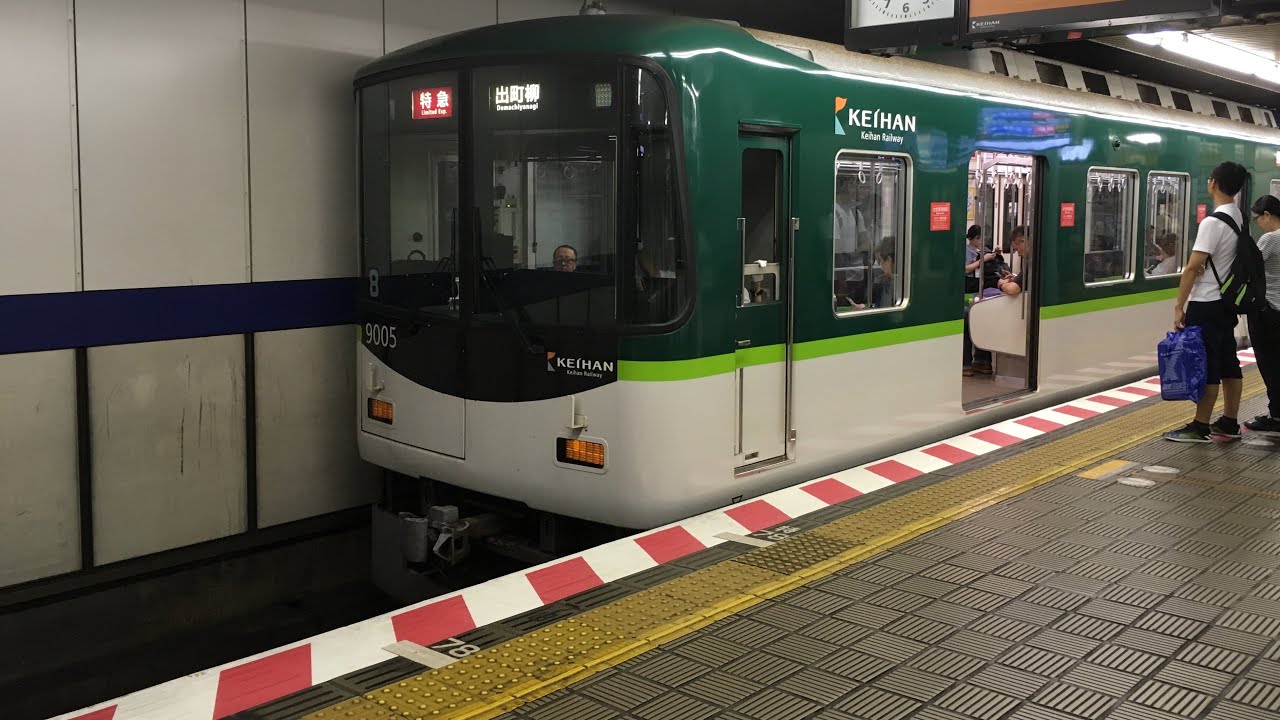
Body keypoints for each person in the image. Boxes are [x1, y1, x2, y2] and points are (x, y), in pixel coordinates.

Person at [1164, 161, 1248, 442]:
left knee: (1207, 363)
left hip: (1207, 301)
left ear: (1213, 183)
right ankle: (1229, 422)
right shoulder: (1238, 216)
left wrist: (1179, 305)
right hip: (1225, 303)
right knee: (1227, 361)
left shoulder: (1213, 222)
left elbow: (1193, 266)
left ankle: (1200, 426)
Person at [963, 228, 1027, 376]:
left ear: (1024, 241)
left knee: (969, 316)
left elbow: (1012, 289)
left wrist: (1000, 283)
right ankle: (980, 361)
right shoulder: (967, 252)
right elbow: (965, 269)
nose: (1017, 253)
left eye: (1017, 249)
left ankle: (971, 362)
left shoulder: (1031, 263)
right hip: (974, 285)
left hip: (993, 287)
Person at [1243, 194, 1280, 433]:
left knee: (1270, 364)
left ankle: (1276, 416)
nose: (1258, 223)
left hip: (1269, 311)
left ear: (1267, 215)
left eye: (1257, 219)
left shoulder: (1271, 239)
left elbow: (1250, 265)